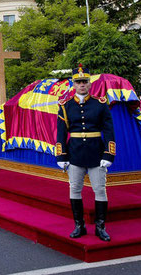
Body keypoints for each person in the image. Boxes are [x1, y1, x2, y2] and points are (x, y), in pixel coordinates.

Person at [56, 65, 115, 242]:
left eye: (85, 82)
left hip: (96, 153)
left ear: (90, 84)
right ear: (73, 84)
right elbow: (61, 133)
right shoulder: (65, 106)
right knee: (74, 189)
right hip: (75, 153)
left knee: (99, 189)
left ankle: (100, 226)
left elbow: (109, 130)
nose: (82, 84)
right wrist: (61, 155)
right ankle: (79, 226)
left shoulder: (100, 104)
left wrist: (108, 154)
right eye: (78, 82)